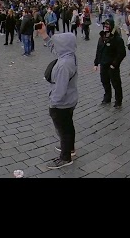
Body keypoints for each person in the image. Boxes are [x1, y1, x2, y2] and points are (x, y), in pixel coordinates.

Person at [36, 22, 78, 170]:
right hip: (70, 99)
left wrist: (52, 104)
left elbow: (60, 89)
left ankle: (65, 157)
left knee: (63, 129)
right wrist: (44, 36)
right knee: (68, 126)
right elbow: (55, 50)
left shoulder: (64, 65)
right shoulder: (68, 54)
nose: (56, 45)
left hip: (62, 103)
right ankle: (69, 148)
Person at [93, 18, 126, 108]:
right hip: (103, 64)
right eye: (105, 25)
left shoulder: (117, 39)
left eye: (108, 25)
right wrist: (96, 63)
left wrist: (114, 64)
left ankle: (118, 101)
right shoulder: (102, 37)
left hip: (112, 66)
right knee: (105, 81)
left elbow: (122, 53)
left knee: (116, 83)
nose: (106, 27)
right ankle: (107, 98)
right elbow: (98, 50)